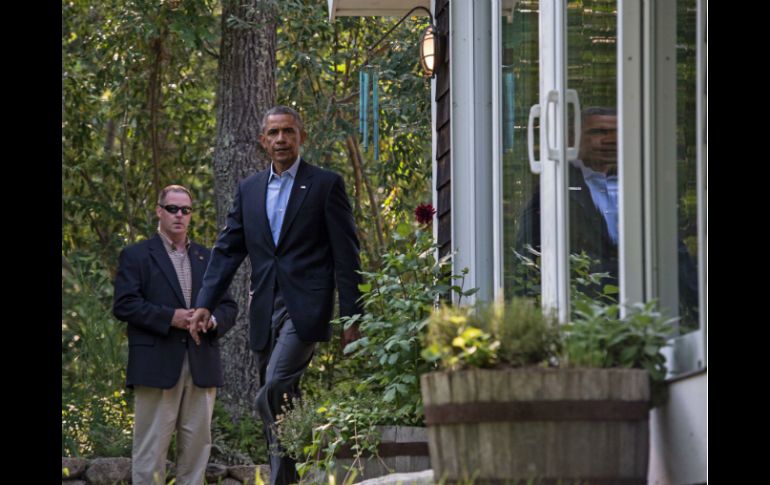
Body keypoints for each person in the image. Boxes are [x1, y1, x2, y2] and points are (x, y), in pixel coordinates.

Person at [189, 106, 364, 485]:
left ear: (302, 137)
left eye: (288, 131)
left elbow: (347, 256)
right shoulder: (249, 189)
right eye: (273, 133)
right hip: (263, 307)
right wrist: (204, 303)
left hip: (307, 307)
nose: (281, 139)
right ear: (263, 141)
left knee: (274, 385)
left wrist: (353, 317)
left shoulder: (325, 185)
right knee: (284, 402)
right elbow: (227, 250)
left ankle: (292, 438)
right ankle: (285, 479)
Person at [113, 184, 238, 485]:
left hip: (201, 362)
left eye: (186, 210)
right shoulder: (137, 255)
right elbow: (125, 304)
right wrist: (173, 317)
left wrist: (209, 320)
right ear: (159, 211)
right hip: (156, 364)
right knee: (150, 450)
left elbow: (229, 306)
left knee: (197, 450)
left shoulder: (207, 258)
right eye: (172, 209)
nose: (179, 215)